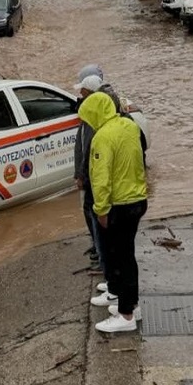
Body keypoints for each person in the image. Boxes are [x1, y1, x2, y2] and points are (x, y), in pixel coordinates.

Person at [80, 91, 148, 334]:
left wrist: (101, 210)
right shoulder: (130, 126)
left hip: (118, 206)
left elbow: (100, 180)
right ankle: (131, 305)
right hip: (138, 199)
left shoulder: (102, 138)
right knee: (127, 256)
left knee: (119, 259)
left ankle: (126, 315)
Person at [74, 65, 118, 272]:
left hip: (93, 178)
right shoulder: (99, 111)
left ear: (89, 92)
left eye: (81, 91)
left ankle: (103, 259)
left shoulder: (94, 115)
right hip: (92, 177)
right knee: (95, 213)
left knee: (95, 213)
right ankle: (102, 254)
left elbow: (88, 148)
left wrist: (81, 175)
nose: (79, 94)